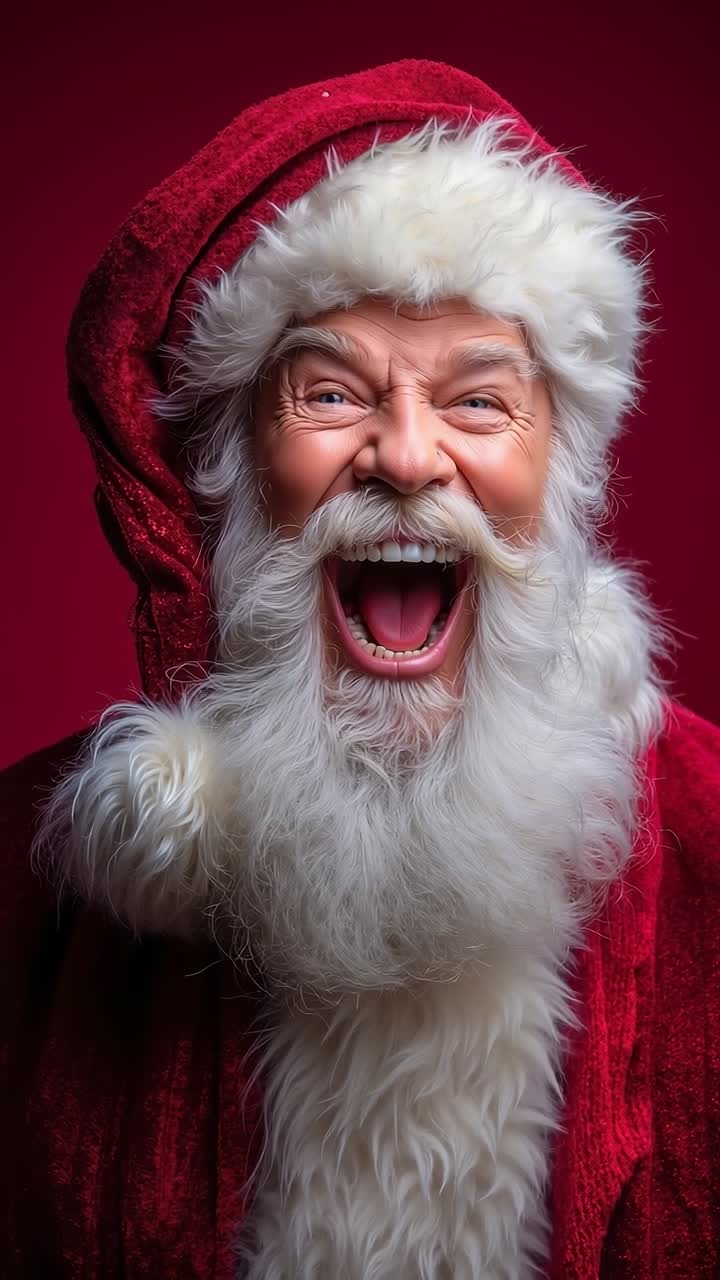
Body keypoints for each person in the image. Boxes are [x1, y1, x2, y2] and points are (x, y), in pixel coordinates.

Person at [3, 58, 719, 1280]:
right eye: (330, 392)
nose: (404, 453)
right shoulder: (26, 880)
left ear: (565, 469)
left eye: (479, 402)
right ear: (227, 470)